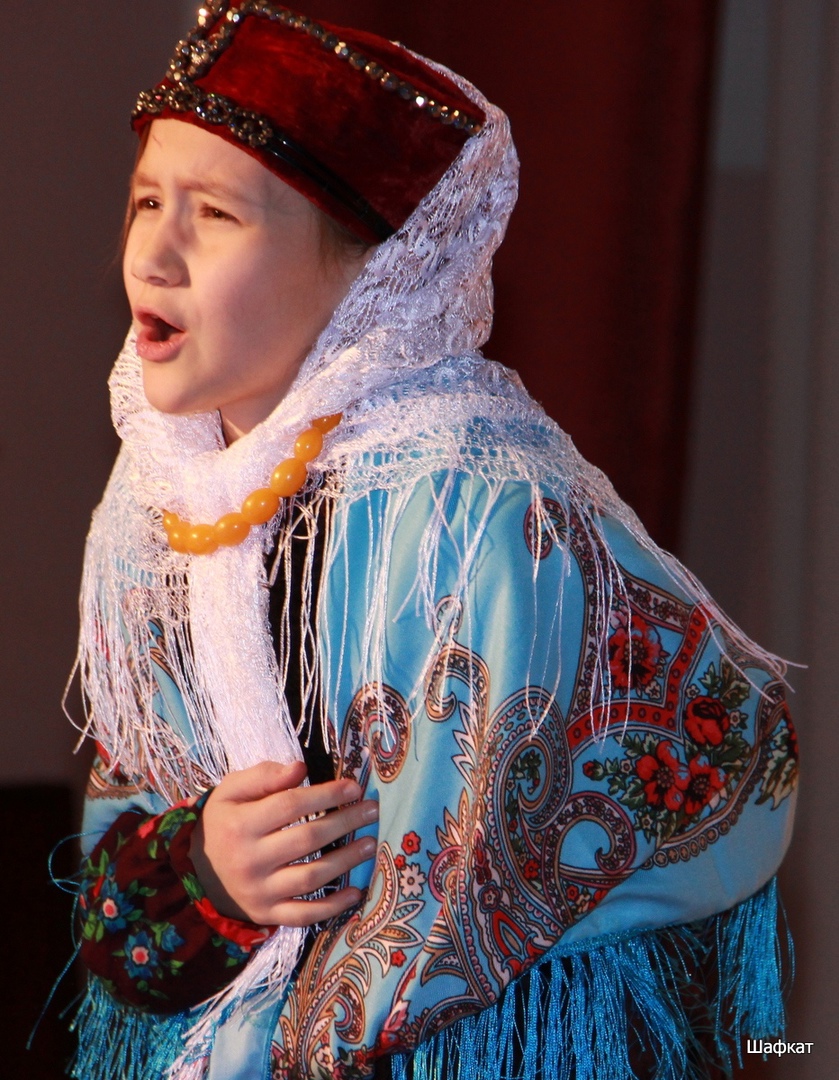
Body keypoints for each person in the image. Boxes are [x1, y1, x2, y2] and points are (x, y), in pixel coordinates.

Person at [69, 3, 799, 1079]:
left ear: (369, 272)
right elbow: (126, 830)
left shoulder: (484, 514)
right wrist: (203, 873)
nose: (155, 255)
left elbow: (652, 791)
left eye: (215, 214)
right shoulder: (160, 498)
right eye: (146, 201)